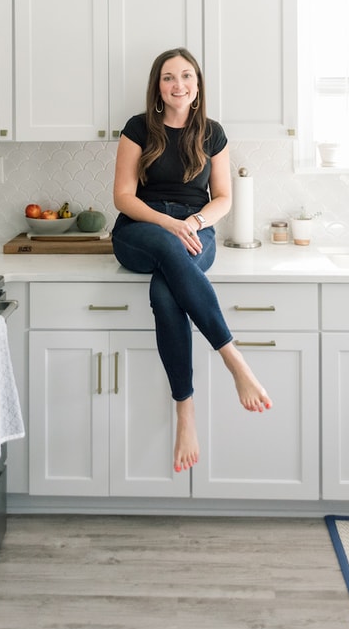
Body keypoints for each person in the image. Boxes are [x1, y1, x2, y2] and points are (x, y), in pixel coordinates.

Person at [111, 47, 272, 474]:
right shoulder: (138, 128)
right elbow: (123, 197)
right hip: (140, 230)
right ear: (157, 87)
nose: (177, 84)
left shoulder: (212, 133)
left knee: (165, 296)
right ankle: (233, 358)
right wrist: (169, 224)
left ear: (197, 85)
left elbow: (223, 198)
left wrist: (194, 221)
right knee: (168, 246)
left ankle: (185, 411)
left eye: (186, 76)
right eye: (168, 77)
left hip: (196, 229)